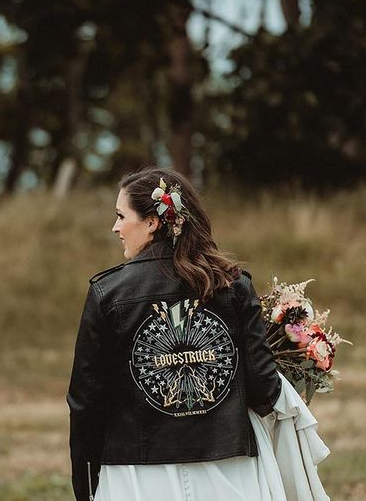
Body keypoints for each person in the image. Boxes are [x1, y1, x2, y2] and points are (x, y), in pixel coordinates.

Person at [68, 168, 288, 501]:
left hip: (136, 474)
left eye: (120, 216)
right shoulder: (235, 286)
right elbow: (264, 389)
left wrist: (86, 483)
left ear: (152, 223)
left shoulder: (108, 294)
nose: (115, 227)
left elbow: (86, 404)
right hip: (228, 467)